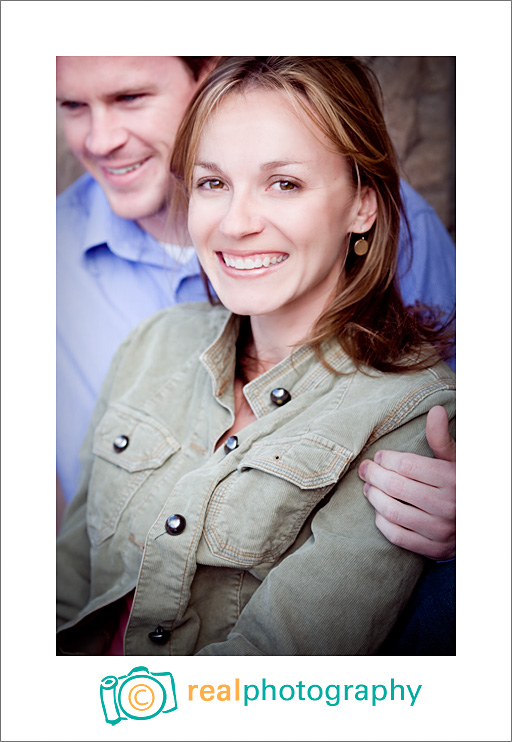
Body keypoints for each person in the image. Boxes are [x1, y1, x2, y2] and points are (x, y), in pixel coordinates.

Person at [56, 56, 455, 655]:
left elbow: (272, 662)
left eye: (284, 183)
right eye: (213, 183)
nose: (235, 223)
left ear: (362, 205)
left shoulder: (411, 415)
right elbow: (67, 582)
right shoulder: (153, 342)